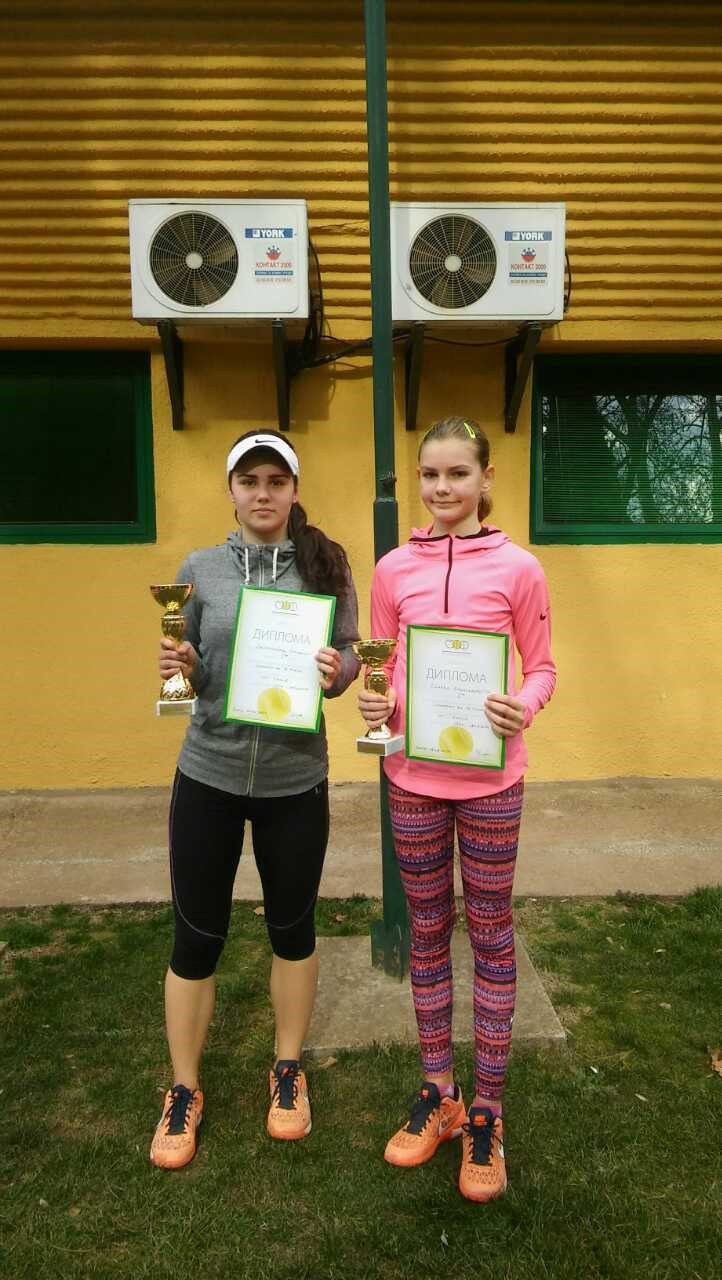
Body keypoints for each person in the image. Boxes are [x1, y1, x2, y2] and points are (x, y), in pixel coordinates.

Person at [150, 429, 360, 1170]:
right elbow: (194, 674)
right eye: (250, 481)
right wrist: (183, 664)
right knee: (196, 937)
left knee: (291, 930)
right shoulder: (199, 571)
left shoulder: (326, 565)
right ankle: (183, 1088)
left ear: (294, 490)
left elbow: (353, 652)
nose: (263, 493)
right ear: (232, 491)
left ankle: (288, 1068)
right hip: (207, 773)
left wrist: (339, 671)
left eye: (276, 481)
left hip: (294, 781)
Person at [359, 415, 556, 1203]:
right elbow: (379, 665)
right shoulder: (392, 569)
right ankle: (440, 1092)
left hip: (491, 782)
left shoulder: (520, 568)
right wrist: (375, 704)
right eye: (430, 474)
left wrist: (523, 706)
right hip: (412, 778)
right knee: (428, 931)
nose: (442, 488)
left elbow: (542, 667)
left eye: (457, 474)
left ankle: (488, 1112)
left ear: (486, 478)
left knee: (493, 931)